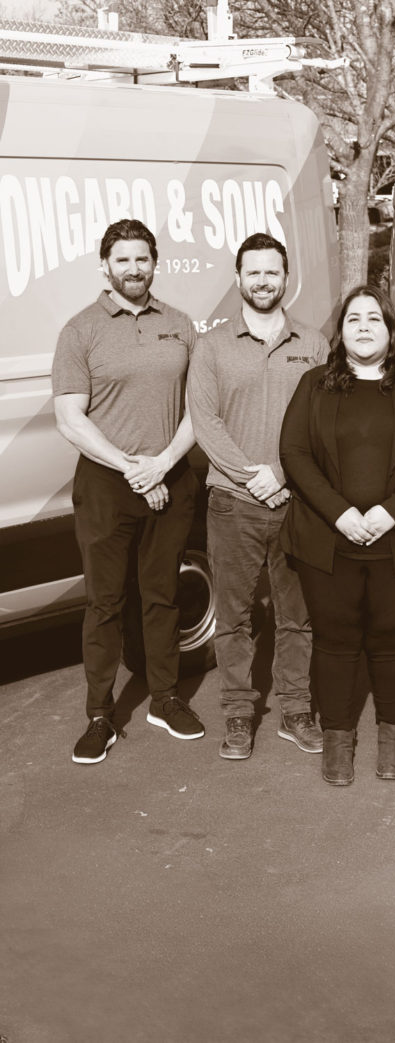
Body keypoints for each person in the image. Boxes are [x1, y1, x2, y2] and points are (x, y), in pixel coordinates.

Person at [279, 285, 395, 785]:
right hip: (328, 539)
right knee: (335, 641)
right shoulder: (314, 384)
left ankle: (392, 736)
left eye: (374, 318)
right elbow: (294, 453)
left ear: (390, 330)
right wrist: (340, 513)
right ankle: (338, 739)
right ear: (340, 331)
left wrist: (390, 512)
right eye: (353, 318)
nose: (363, 327)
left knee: (393, 640)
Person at [52, 219, 203, 765]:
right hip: (105, 484)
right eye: (123, 260)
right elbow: (70, 418)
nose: (134, 269)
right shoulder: (81, 330)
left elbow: (199, 407)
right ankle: (100, 714)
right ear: (105, 266)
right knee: (106, 603)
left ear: (154, 263)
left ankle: (164, 698)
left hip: (170, 476)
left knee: (162, 596)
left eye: (142, 259)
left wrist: (162, 465)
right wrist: (132, 469)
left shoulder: (180, 325)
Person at [188, 233, 329, 761]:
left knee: (298, 615)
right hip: (233, 503)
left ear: (286, 277)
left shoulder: (314, 344)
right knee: (234, 618)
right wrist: (253, 478)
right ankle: (238, 714)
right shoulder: (212, 347)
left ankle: (295, 709)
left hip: (298, 502)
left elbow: (325, 422)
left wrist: (283, 474)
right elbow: (206, 422)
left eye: (272, 272)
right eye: (254, 272)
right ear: (239, 278)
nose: (263, 281)